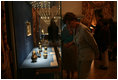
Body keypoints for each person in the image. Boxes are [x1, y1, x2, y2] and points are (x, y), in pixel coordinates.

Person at [63, 12, 99, 79]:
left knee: (83, 76)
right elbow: (75, 39)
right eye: (67, 24)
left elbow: (93, 43)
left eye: (69, 23)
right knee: (79, 75)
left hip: (87, 56)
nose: (68, 26)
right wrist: (70, 43)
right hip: (80, 55)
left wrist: (97, 54)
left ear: (74, 20)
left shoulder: (84, 29)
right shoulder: (75, 29)